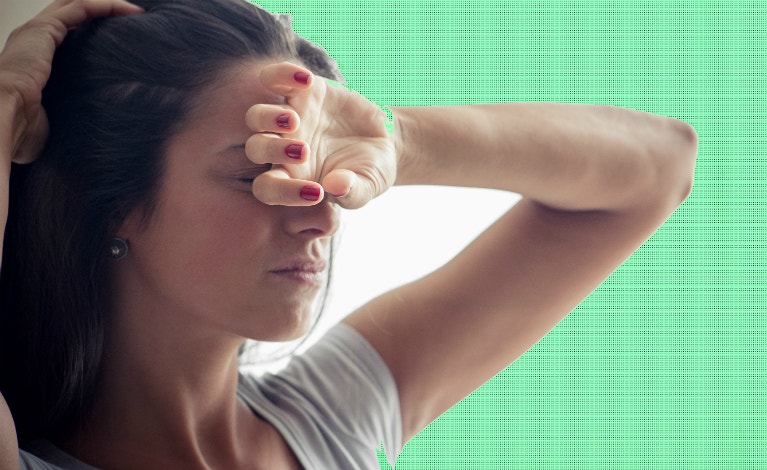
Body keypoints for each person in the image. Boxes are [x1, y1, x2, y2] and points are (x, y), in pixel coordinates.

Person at [0, 0, 698, 468]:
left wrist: (401, 144)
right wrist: (5, 100)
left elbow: (662, 165)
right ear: (110, 199)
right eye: (256, 176)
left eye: (316, 171)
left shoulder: (334, 415)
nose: (321, 214)